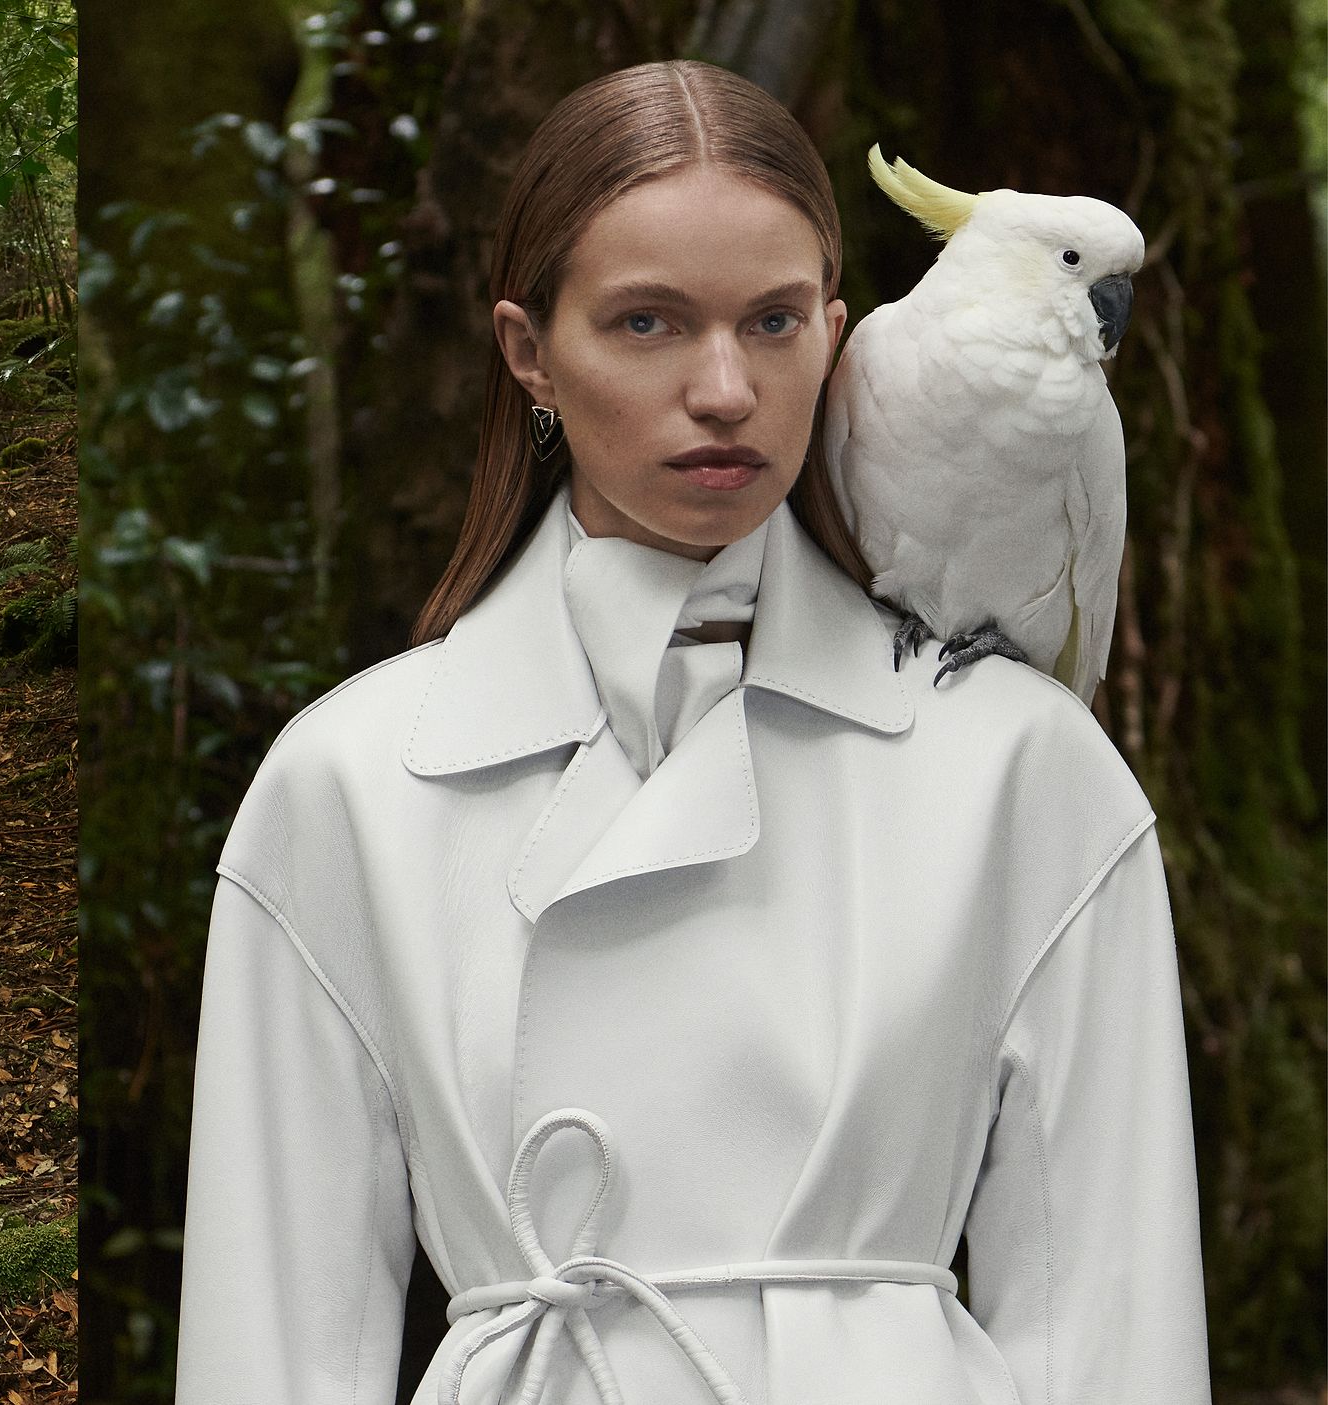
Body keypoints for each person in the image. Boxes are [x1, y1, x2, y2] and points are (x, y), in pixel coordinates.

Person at [172, 61, 1209, 1405]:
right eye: (648, 322)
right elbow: (274, 1337)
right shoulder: (347, 785)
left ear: (838, 334)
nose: (724, 388)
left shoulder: (1027, 769)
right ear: (528, 351)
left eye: (774, 323)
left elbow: (1111, 1316)